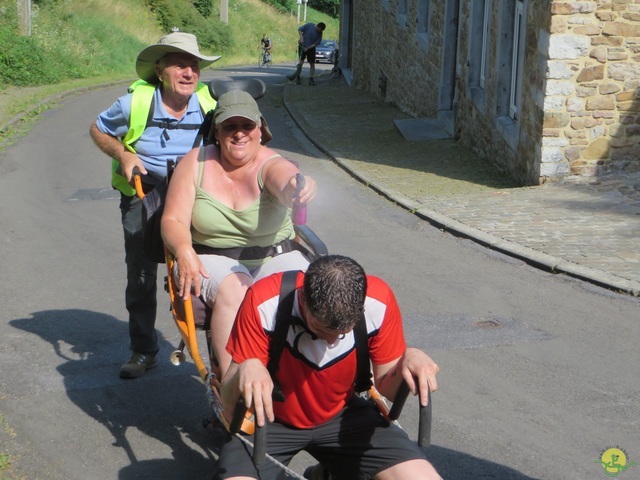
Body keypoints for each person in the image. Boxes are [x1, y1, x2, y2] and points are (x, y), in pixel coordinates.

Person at [218, 255, 442, 480]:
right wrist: (244, 369)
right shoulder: (265, 300)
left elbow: (388, 389)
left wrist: (408, 363)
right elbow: (228, 408)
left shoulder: (379, 299)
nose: (332, 341)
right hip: (271, 418)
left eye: (343, 332)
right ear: (303, 299)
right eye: (322, 329)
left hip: (342, 414)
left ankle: (326, 473)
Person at [89, 31, 221, 379]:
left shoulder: (210, 106)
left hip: (192, 194)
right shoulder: (135, 103)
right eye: (180, 65)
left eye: (194, 66)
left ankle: (218, 355)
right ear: (161, 70)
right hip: (143, 192)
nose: (189, 73)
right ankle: (144, 350)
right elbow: (99, 129)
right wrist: (123, 153)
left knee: (208, 271)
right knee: (143, 274)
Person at [160, 87, 317, 378]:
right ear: (216, 133)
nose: (239, 133)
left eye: (247, 126)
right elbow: (173, 220)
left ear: (260, 131)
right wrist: (183, 250)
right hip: (212, 257)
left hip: (274, 255)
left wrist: (299, 187)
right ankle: (233, 381)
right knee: (237, 287)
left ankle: (303, 374)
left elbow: (284, 180)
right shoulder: (195, 163)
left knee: (306, 288)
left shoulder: (270, 162)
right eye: (230, 126)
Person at [287, 22, 326, 86]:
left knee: (312, 64)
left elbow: (316, 43)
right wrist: (301, 37)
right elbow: (299, 29)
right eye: (319, 30)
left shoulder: (320, 33)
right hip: (303, 46)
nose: (319, 32)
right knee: (301, 63)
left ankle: (311, 79)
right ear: (318, 26)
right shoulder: (309, 25)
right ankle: (298, 77)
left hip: (311, 49)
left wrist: (308, 48)